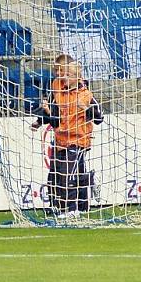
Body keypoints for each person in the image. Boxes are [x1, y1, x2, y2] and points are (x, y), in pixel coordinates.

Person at [32, 54, 103, 216]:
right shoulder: (57, 87)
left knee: (67, 175)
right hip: (60, 139)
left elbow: (99, 118)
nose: (60, 75)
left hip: (77, 140)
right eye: (58, 71)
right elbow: (56, 119)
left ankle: (71, 210)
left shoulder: (85, 95)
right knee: (55, 176)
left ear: (77, 76)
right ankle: (63, 206)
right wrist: (41, 119)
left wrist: (85, 109)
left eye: (64, 72)